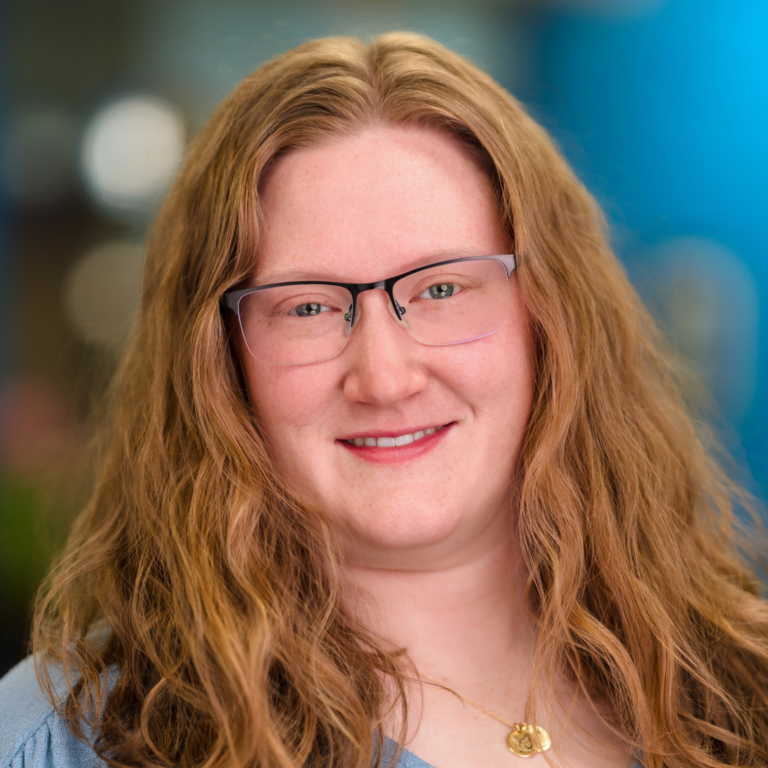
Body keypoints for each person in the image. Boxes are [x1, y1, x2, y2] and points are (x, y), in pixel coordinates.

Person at [1, 31, 768, 768]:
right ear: (217, 362)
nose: (384, 377)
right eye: (306, 307)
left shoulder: (740, 690)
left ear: (555, 319)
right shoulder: (60, 744)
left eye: (442, 289)